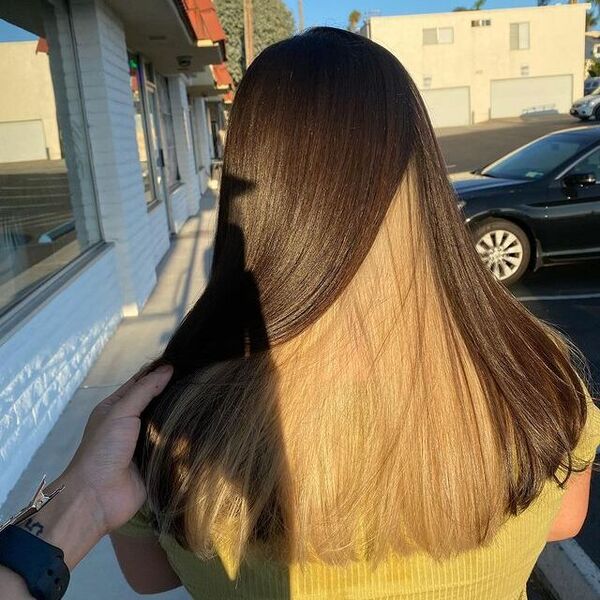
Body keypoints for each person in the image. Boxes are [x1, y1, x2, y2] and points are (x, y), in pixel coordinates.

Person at [1, 27, 599, 600]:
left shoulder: (163, 414)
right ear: (424, 183)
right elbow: (565, 520)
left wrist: (76, 500)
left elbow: (151, 578)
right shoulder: (533, 369)